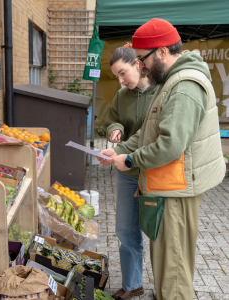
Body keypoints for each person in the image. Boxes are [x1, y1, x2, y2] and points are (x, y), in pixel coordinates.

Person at [99, 19, 225, 300]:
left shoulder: (183, 86)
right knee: (168, 262)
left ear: (162, 52)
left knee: (174, 269)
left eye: (142, 60)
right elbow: (149, 132)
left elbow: (169, 145)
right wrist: (122, 152)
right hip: (169, 183)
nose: (140, 66)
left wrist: (130, 161)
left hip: (177, 187)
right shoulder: (171, 82)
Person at [104, 45, 158, 300]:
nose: (121, 80)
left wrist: (119, 150)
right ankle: (133, 284)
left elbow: (148, 133)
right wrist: (114, 129)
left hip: (155, 172)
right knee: (126, 230)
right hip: (127, 174)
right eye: (116, 76)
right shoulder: (122, 95)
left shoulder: (162, 91)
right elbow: (111, 118)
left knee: (159, 233)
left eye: (123, 73)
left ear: (138, 64)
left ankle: (168, 287)